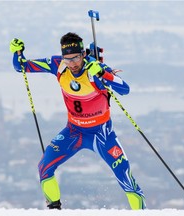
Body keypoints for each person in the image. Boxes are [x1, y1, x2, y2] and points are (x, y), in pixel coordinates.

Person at [9, 32, 146, 210]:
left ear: (83, 54)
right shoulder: (58, 65)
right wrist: (17, 52)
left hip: (101, 134)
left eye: (75, 58)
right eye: (68, 59)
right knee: (44, 167)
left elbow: (125, 89)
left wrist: (103, 73)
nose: (72, 63)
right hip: (74, 131)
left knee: (125, 177)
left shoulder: (94, 68)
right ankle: (54, 209)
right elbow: (21, 67)